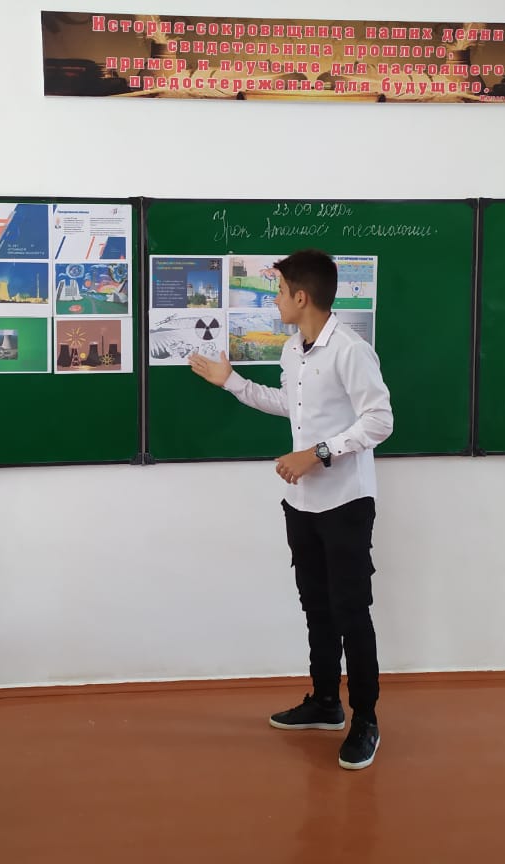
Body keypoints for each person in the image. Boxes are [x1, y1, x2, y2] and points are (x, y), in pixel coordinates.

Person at [188, 249, 393, 770]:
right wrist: (231, 382)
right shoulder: (292, 350)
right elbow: (292, 405)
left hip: (345, 503)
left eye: (278, 291)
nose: (274, 300)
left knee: (351, 611)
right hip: (301, 503)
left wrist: (317, 453)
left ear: (302, 297)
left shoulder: (350, 350)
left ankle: (365, 718)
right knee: (315, 605)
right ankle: (325, 702)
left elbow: (379, 420)